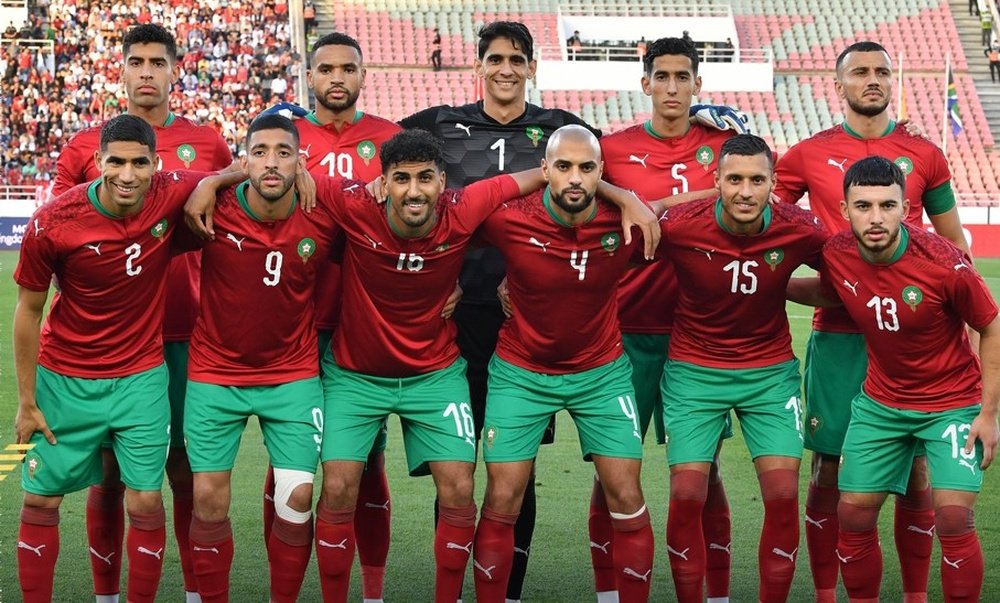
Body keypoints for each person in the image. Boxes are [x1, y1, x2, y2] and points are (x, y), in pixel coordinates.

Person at [298, 128, 656, 603]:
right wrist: (215, 179)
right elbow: (279, 170)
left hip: (443, 372)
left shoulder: (464, 205)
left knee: (463, 489)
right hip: (357, 372)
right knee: (339, 486)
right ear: (382, 183)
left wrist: (621, 193)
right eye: (400, 179)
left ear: (443, 181)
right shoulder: (352, 203)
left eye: (426, 178)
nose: (414, 190)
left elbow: (540, 181)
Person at [399, 21, 601, 602]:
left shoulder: (563, 131)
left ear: (532, 67)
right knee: (455, 467)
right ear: (479, 65)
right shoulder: (436, 125)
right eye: (495, 58)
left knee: (515, 471)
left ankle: (507, 591)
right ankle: (454, 589)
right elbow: (378, 166)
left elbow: (606, 179)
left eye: (517, 58)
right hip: (451, 322)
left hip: (528, 324)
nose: (506, 68)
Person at [774, 40, 971, 603]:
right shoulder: (805, 155)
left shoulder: (924, 153)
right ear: (838, 85)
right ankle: (827, 594)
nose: (873, 80)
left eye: (882, 71)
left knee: (919, 477)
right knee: (829, 473)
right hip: (840, 338)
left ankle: (913, 596)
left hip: (916, 338)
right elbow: (767, 224)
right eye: (859, 72)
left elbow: (953, 243)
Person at [50, 23, 232, 603]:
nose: (147, 71)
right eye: (137, 61)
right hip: (107, 344)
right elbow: (53, 233)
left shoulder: (207, 141)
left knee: (182, 469)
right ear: (121, 69)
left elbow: (233, 219)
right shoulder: (85, 147)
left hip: (184, 331)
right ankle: (108, 593)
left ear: (176, 69)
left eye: (158, 61)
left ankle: (192, 590)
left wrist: (216, 179)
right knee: (108, 475)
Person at [14, 114, 213, 603]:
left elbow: (232, 173)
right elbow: (28, 311)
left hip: (141, 379)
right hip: (65, 379)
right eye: (116, 161)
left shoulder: (169, 192)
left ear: (156, 165)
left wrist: (213, 181)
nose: (127, 174)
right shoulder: (53, 221)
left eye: (139, 163)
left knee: (146, 500)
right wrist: (26, 401)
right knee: (40, 499)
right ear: (98, 162)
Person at [794, 155, 999, 602]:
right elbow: (832, 291)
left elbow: (991, 325)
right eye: (863, 206)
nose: (875, 217)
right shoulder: (837, 253)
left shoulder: (944, 263)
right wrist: (776, 289)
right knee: (852, 515)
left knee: (953, 520)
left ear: (905, 208)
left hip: (951, 403)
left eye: (887, 205)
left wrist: (988, 413)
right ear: (845, 211)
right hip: (879, 404)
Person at [473, 125, 656, 603]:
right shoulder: (510, 219)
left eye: (587, 168)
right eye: (563, 167)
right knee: (501, 499)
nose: (575, 178)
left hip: (601, 371)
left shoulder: (626, 223)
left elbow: (694, 210)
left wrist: (628, 197)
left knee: (628, 497)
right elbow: (447, 224)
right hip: (521, 371)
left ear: (601, 172)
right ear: (545, 171)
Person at [595, 36, 741, 603]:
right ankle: (611, 593)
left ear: (698, 84)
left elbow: (754, 184)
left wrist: (661, 205)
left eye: (684, 76)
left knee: (704, 478)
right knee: (611, 477)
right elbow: (576, 182)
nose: (674, 87)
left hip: (698, 336)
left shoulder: (724, 145)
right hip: (625, 330)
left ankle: (717, 593)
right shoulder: (615, 147)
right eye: (664, 76)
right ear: (646, 84)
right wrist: (623, 195)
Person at [262, 32, 402, 603]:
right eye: (326, 69)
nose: (337, 78)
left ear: (364, 75)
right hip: (293, 322)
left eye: (348, 68)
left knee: (365, 464)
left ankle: (369, 592)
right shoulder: (285, 138)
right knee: (285, 470)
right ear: (309, 76)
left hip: (364, 326)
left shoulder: (390, 139)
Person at [659, 134, 828, 603]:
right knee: (687, 495)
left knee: (780, 496)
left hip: (769, 375)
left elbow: (851, 272)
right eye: (734, 179)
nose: (745, 191)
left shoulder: (802, 228)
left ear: (773, 184)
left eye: (757, 180)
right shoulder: (679, 226)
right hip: (694, 371)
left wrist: (788, 290)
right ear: (715, 182)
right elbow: (609, 252)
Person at [176, 115, 335, 603]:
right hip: (213, 372)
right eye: (260, 151)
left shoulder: (324, 210)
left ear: (300, 161)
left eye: (283, 152)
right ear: (243, 160)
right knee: (206, 499)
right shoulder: (212, 207)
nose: (271, 161)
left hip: (292, 374)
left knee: (298, 499)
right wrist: (211, 179)